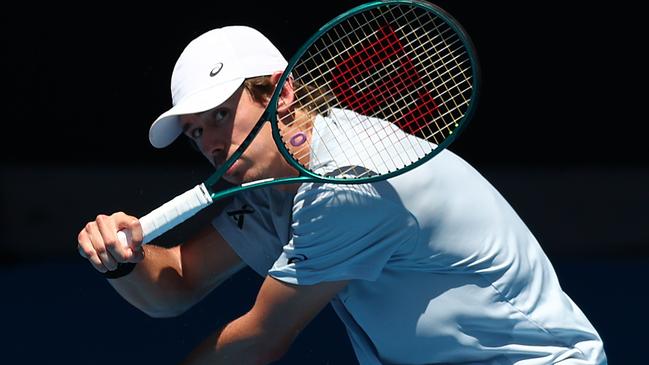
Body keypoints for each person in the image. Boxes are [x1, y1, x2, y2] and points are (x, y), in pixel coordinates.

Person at [77, 25, 607, 365]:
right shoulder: (272, 184)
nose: (212, 142)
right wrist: (123, 259)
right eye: (196, 132)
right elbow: (178, 285)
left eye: (221, 114)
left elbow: (261, 339)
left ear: (281, 92)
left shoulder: (347, 183)